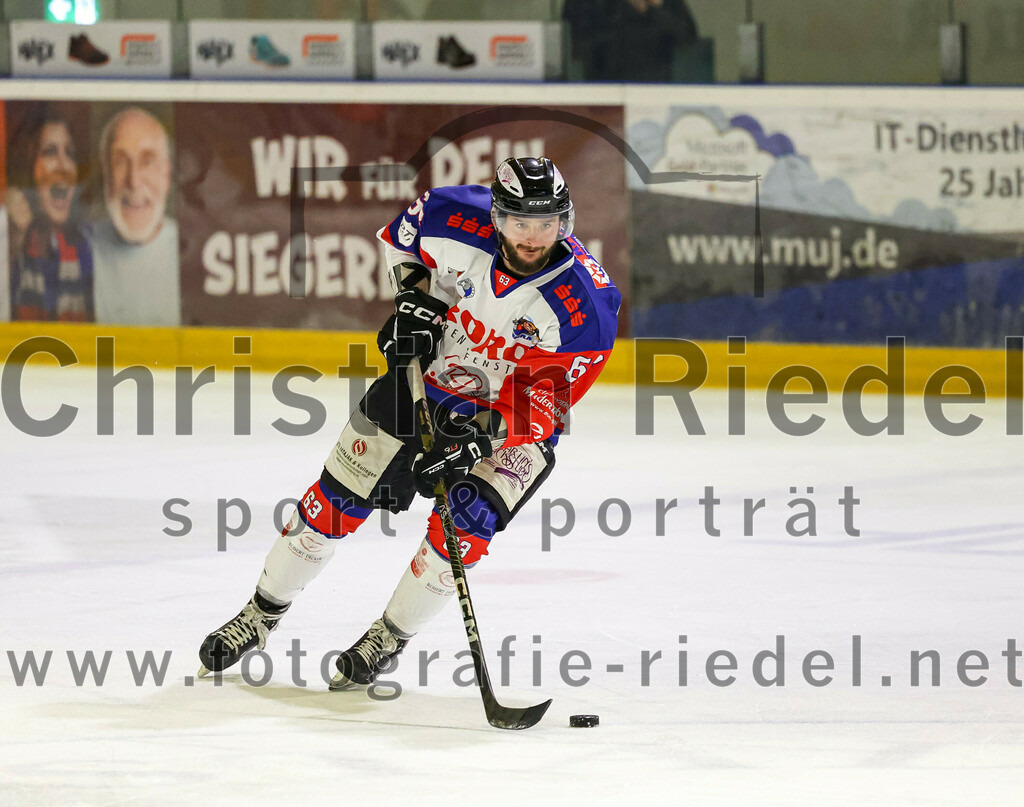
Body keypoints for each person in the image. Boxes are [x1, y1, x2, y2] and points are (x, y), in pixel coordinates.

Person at [198, 157, 622, 690]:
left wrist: (474, 441)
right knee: (330, 504)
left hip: (509, 425)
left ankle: (388, 637)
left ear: (567, 220)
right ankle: (259, 617)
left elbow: (549, 403)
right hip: (423, 382)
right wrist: (415, 300)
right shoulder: (450, 212)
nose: (535, 237)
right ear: (496, 217)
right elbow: (404, 246)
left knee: (462, 531)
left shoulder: (586, 304)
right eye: (521, 223)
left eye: (548, 223)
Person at [90, 106, 180, 326]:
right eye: (120, 161)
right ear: (106, 173)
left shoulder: (196, 252)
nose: (133, 181)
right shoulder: (79, 247)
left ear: (166, 174)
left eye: (147, 161)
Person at [9, 112, 94, 321]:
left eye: (70, 154)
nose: (64, 166)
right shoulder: (10, 239)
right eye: (49, 152)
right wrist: (13, 237)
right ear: (27, 167)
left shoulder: (87, 246)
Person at [563, 0, 699, 83]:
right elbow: (574, 41)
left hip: (653, 89)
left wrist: (650, 10)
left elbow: (687, 37)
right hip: (603, 91)